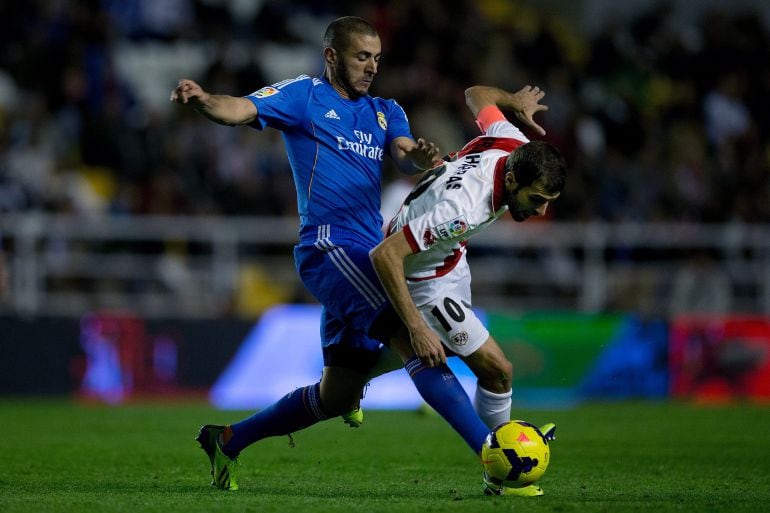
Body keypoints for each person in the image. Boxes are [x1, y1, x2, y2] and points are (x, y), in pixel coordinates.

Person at [171, 16, 500, 494]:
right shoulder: (304, 96)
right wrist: (203, 101)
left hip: (369, 255)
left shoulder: (385, 110)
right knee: (419, 344)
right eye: (361, 57)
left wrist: (421, 157)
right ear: (332, 57)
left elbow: (404, 150)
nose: (371, 68)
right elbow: (239, 109)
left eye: (377, 59)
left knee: (336, 393)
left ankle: (227, 439)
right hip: (328, 246)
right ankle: (496, 457)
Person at [369, 84, 567, 495]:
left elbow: (476, 94)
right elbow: (386, 255)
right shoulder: (463, 210)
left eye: (549, 201)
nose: (541, 211)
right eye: (536, 199)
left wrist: (514, 103)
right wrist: (417, 326)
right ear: (512, 178)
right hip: (424, 279)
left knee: (477, 366)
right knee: (497, 371)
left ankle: (351, 376)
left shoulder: (513, 142)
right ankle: (505, 470)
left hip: (450, 259)